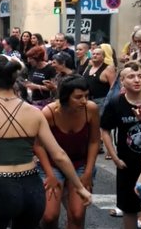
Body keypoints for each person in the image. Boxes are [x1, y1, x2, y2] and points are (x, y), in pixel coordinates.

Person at [0, 55, 92, 229]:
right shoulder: (35, 112)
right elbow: (59, 154)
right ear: (14, 81)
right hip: (32, 187)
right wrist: (80, 187)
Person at [33, 75, 100, 229]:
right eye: (78, 97)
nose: (84, 100)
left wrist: (89, 171)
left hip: (80, 163)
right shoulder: (49, 112)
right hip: (53, 164)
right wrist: (49, 173)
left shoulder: (91, 109)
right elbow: (38, 146)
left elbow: (94, 141)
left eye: (86, 96)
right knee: (49, 216)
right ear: (65, 97)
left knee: (77, 214)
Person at [101, 61, 141, 229]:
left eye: (140, 76)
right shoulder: (116, 103)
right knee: (129, 206)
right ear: (122, 81)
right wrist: (115, 158)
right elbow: (105, 130)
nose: (137, 80)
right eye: (131, 77)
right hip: (126, 163)